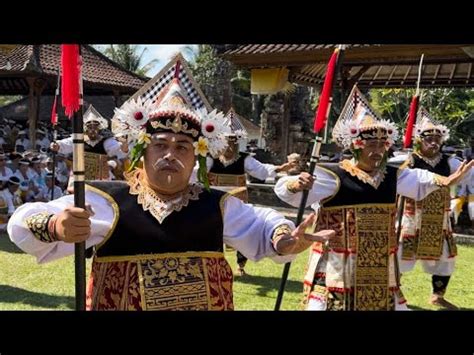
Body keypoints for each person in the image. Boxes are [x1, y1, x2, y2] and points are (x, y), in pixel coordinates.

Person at [7, 57, 333, 310]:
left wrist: (283, 239)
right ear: (141, 152)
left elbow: (262, 224)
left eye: (181, 147)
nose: (170, 155)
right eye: (160, 145)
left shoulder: (216, 204)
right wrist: (56, 224)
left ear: (197, 157)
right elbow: (21, 225)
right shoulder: (106, 201)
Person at [274, 86, 474, 311]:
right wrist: (294, 184)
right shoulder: (332, 175)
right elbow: (288, 193)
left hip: (379, 265)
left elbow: (420, 179)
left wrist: (446, 181)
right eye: (371, 144)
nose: (378, 151)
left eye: (382, 145)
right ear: (355, 146)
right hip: (339, 263)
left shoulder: (392, 175)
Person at [196, 109, 297, 276]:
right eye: (227, 140)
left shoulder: (244, 158)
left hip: (238, 202)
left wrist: (281, 168)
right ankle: (213, 265)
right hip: (212, 202)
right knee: (211, 232)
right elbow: (197, 173)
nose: (230, 144)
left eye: (233, 141)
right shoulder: (209, 157)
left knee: (245, 232)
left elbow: (261, 170)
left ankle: (240, 267)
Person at [398, 109, 472, 309]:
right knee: (400, 255)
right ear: (419, 140)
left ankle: (437, 296)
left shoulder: (449, 161)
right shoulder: (410, 160)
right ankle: (393, 290)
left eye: (437, 139)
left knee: (446, 258)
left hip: (439, 218)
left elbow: (468, 173)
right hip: (411, 217)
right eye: (429, 138)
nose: (433, 142)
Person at [50, 105, 126, 181]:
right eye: (90, 127)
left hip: (101, 178)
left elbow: (117, 149)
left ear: (99, 128)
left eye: (95, 127)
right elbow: (66, 144)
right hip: (81, 176)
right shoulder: (78, 139)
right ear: (85, 129)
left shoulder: (106, 141)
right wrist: (57, 145)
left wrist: (123, 146)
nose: (92, 130)